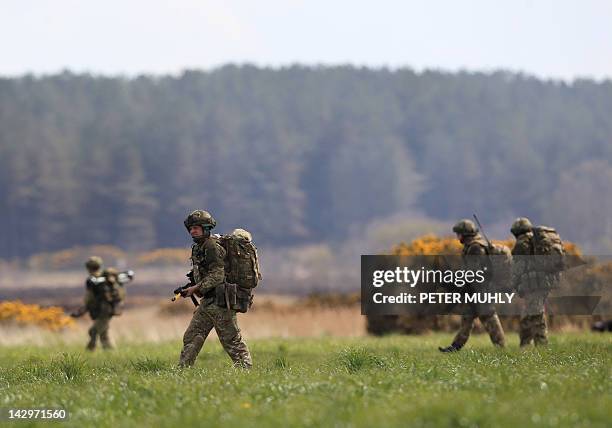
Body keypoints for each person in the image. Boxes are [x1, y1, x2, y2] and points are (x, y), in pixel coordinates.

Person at [178, 210, 252, 368]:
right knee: (192, 335)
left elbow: (217, 275)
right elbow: (205, 273)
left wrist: (195, 289)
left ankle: (245, 369)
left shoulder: (212, 247)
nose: (192, 231)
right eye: (191, 228)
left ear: (206, 228)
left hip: (221, 302)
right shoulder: (199, 247)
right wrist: (191, 286)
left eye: (196, 227)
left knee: (230, 339)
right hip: (208, 302)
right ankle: (183, 370)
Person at [439, 219, 506, 352]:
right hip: (474, 290)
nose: (457, 237)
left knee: (489, 318)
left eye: (458, 234)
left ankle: (501, 348)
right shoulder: (471, 246)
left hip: (481, 290)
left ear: (465, 234)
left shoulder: (476, 248)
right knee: (467, 318)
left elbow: (473, 272)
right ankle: (455, 347)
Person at [511, 217, 553, 347]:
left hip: (532, 286)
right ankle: (525, 346)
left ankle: (542, 348)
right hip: (543, 283)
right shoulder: (535, 241)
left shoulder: (521, 244)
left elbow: (518, 268)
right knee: (528, 316)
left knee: (536, 317)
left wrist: (513, 283)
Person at [72, 257, 116, 350]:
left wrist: (84, 309)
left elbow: (90, 298)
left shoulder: (94, 280)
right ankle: (109, 352)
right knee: (103, 333)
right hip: (103, 309)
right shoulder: (103, 278)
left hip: (103, 309)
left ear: (88, 267)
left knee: (93, 331)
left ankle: (90, 350)